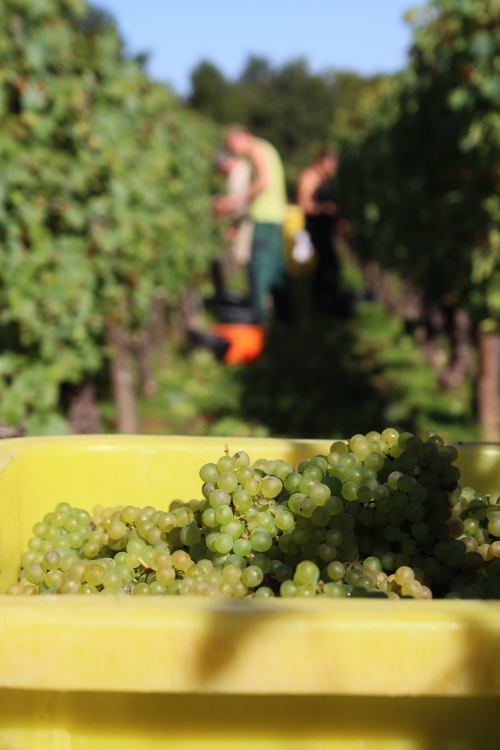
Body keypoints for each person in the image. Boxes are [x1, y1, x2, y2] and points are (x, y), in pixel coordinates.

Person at [214, 126, 292, 324]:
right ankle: (286, 320)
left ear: (243, 137)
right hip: (274, 217)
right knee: (276, 271)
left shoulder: (257, 149)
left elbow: (263, 182)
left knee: (259, 270)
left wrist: (234, 201)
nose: (232, 152)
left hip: (265, 218)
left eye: (231, 146)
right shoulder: (265, 149)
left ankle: (259, 322)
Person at [297, 149, 341, 311]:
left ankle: (324, 301)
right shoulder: (310, 177)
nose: (334, 169)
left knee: (327, 265)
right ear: (323, 161)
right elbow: (304, 204)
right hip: (314, 228)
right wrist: (324, 209)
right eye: (332, 165)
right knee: (328, 264)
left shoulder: (324, 179)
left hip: (324, 229)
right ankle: (321, 302)